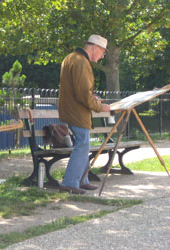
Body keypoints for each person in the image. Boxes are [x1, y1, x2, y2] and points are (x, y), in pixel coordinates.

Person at [58, 34, 111, 194]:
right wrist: (100, 107)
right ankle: (69, 183)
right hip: (77, 112)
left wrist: (92, 98)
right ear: (95, 47)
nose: (102, 57)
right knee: (82, 145)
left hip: (70, 109)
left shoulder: (71, 58)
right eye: (102, 52)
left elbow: (79, 90)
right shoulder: (82, 62)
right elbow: (83, 95)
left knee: (83, 144)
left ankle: (82, 179)